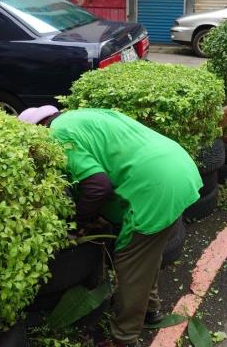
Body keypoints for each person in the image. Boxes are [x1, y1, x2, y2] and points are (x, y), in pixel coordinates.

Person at [18, 106, 202, 347]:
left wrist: (77, 224)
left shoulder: (56, 134)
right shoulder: (85, 116)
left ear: (38, 130)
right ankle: (150, 310)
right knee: (146, 254)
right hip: (176, 167)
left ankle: (124, 339)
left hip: (155, 188)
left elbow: (97, 186)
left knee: (130, 264)